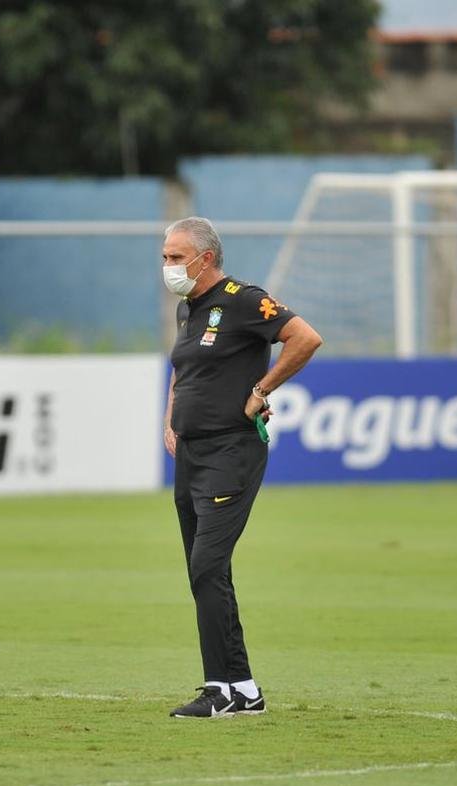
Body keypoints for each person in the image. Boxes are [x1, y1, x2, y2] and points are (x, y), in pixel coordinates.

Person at [161, 216, 323, 718]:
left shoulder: (243, 300)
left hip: (231, 452)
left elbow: (305, 338)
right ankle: (244, 690)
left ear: (205, 258)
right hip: (191, 454)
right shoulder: (188, 309)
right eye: (164, 257)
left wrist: (261, 390)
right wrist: (171, 418)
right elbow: (184, 370)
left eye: (175, 257)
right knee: (207, 572)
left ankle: (219, 690)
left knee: (206, 567)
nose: (167, 266)